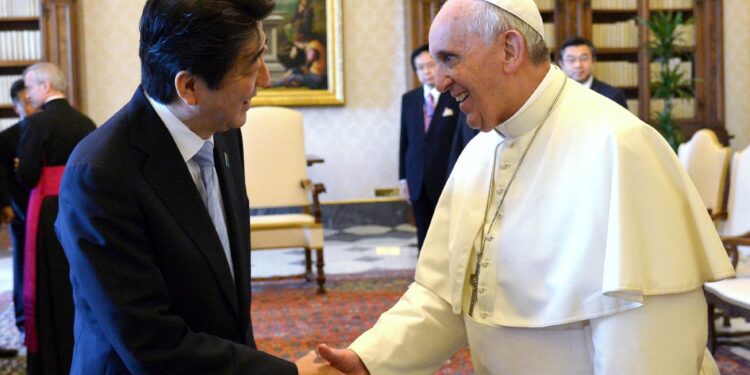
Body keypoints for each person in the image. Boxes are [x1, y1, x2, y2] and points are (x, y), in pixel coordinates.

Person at [318, 0, 734, 374]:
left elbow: (649, 341)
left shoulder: (620, 146)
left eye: (449, 59)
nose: (439, 81)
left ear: (510, 50)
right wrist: (368, 358)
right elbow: (444, 297)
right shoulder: (480, 153)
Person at [55, 1, 341, 374]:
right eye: (251, 63)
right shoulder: (100, 176)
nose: (266, 79)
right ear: (189, 86)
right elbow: (151, 344)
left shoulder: (224, 132)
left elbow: (225, 300)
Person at [17, 62, 96, 374]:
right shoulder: (85, 122)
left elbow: (26, 174)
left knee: (48, 286)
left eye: (30, 87)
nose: (29, 94)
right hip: (80, 208)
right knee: (76, 281)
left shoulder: (36, 124)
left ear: (45, 86)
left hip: (49, 213)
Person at [399, 43, 460, 251]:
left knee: (446, 233)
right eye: (420, 67)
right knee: (422, 233)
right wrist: (403, 178)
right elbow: (404, 140)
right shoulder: (409, 99)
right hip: (417, 178)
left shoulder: (454, 96)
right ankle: (424, 279)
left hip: (445, 176)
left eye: (430, 65)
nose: (426, 71)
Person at [0, 79, 38, 358]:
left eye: (32, 100)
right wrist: (6, 205)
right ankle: (24, 321)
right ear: (15, 105)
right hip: (19, 209)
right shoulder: (8, 137)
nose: (30, 106)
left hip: (45, 209)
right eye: (24, 101)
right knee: (21, 267)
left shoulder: (47, 130)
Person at [558, 36, 628, 109]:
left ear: (593, 61)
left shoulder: (612, 96)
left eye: (584, 58)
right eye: (571, 60)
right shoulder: (555, 95)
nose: (578, 65)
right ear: (561, 64)